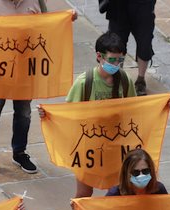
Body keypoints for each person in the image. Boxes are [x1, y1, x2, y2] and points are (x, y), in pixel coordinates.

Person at [0, 1, 77, 181]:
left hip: (26, 69)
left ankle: (19, 152)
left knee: (23, 114)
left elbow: (47, 25)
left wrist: (67, 18)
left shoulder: (35, 1)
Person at [40, 32, 136, 198]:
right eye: (113, 60)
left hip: (116, 146)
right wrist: (48, 115)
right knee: (84, 193)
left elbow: (135, 109)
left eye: (121, 60)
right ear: (99, 56)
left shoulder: (125, 80)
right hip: (88, 148)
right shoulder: (85, 82)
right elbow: (68, 114)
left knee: (117, 192)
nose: (117, 65)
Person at [105, 0, 156, 96]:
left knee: (145, 43)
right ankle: (117, 77)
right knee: (116, 43)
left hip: (143, 5)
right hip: (118, 5)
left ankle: (141, 80)